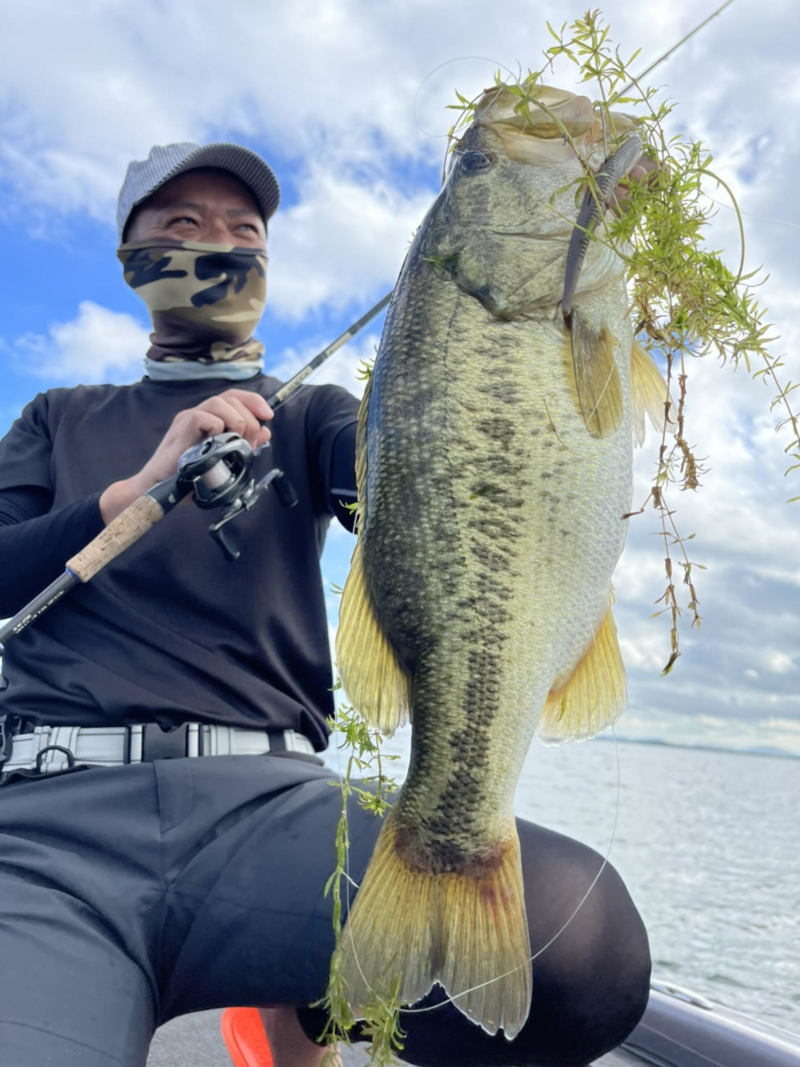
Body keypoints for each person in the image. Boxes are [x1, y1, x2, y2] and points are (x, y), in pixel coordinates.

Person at [0, 142, 651, 1067]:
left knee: (585, 953)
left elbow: (424, 499)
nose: (219, 246)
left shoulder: (309, 415)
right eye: (183, 226)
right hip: (50, 823)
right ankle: (296, 996)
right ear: (129, 257)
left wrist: (577, 258)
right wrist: (128, 493)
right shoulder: (58, 416)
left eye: (244, 230)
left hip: (271, 813)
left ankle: (302, 1000)